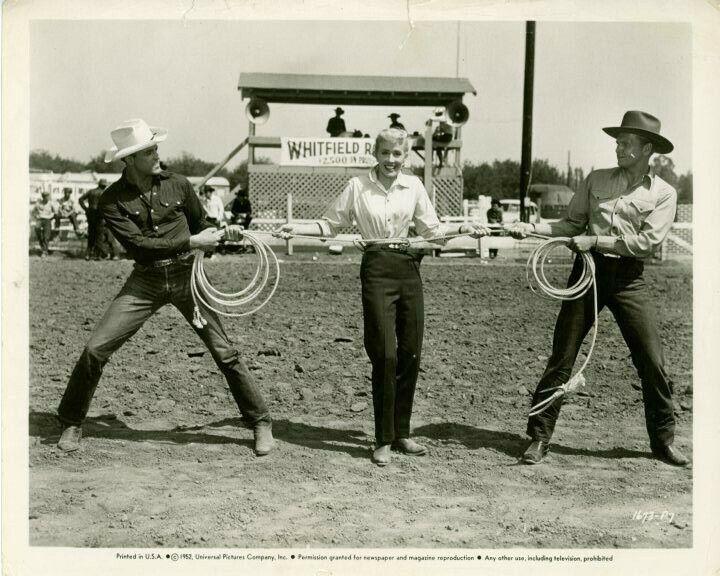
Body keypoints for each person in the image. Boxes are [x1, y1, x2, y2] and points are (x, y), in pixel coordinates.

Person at [56, 118, 273, 457]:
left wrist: (221, 234)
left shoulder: (180, 184)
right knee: (95, 349)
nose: (157, 155)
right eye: (148, 151)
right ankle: (71, 420)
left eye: (155, 148)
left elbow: (205, 226)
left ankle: (260, 420)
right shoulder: (111, 200)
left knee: (224, 351)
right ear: (129, 160)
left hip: (189, 278)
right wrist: (192, 239)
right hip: (146, 281)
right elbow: (139, 246)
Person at [275, 128, 489, 466]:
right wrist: (294, 228)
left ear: (405, 156)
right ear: (376, 153)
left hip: (408, 269)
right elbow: (328, 226)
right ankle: (383, 438)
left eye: (398, 154)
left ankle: (402, 432)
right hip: (376, 269)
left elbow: (432, 232)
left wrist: (464, 230)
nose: (392, 160)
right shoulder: (358, 187)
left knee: (410, 352)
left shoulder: (414, 186)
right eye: (386, 153)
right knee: (385, 355)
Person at [507, 110, 689, 467]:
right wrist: (530, 228)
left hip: (628, 279)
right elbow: (569, 224)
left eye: (625, 143)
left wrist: (595, 240)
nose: (618, 148)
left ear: (646, 148)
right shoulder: (596, 179)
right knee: (563, 354)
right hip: (586, 274)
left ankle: (663, 440)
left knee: (652, 359)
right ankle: (539, 437)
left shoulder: (665, 194)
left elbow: (647, 242)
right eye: (617, 142)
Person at [79, 179, 116, 260]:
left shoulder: (91, 192)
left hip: (90, 215)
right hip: (99, 216)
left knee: (91, 234)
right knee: (99, 235)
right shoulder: (105, 193)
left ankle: (88, 255)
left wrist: (86, 209)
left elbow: (80, 199)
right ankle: (99, 254)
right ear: (104, 185)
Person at [32, 190, 60, 257]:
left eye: (48, 196)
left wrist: (51, 216)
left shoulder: (51, 203)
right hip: (40, 219)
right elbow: (33, 211)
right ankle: (42, 244)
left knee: (46, 235)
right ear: (43, 197)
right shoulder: (39, 203)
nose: (47, 198)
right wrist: (36, 216)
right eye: (45, 196)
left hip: (48, 220)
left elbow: (55, 212)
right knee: (37, 228)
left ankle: (44, 251)